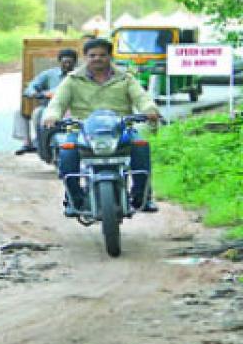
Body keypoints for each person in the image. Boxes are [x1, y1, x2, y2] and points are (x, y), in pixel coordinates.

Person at [42, 38, 162, 215]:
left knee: (141, 145)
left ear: (110, 56)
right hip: (81, 128)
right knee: (67, 151)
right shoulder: (72, 80)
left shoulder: (126, 78)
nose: (97, 58)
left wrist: (150, 110)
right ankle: (74, 198)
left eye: (102, 55)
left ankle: (142, 195)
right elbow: (57, 102)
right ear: (85, 57)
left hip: (121, 128)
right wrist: (51, 116)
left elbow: (142, 98)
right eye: (93, 55)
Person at [13, 48, 77, 155]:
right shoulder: (49, 74)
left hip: (72, 107)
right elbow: (31, 87)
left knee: (76, 121)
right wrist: (35, 93)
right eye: (64, 62)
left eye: (70, 62)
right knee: (33, 113)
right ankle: (33, 143)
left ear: (75, 62)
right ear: (59, 62)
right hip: (50, 106)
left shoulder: (79, 76)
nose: (67, 65)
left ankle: (74, 139)